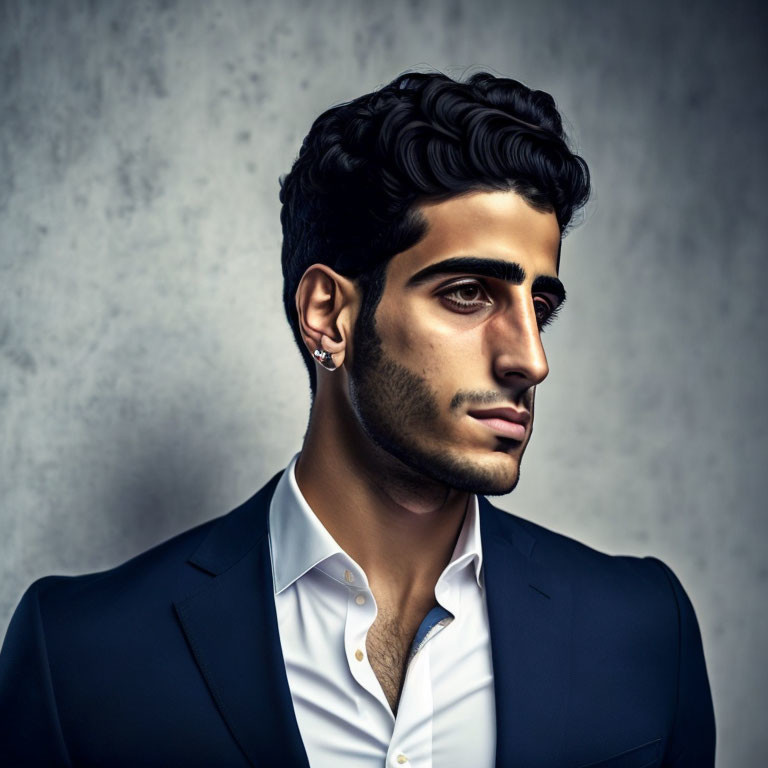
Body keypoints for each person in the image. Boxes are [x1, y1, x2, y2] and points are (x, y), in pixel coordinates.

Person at [0, 70, 715, 767]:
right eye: (469, 294)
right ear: (329, 315)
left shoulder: (644, 630)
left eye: (541, 308)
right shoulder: (79, 654)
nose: (530, 359)